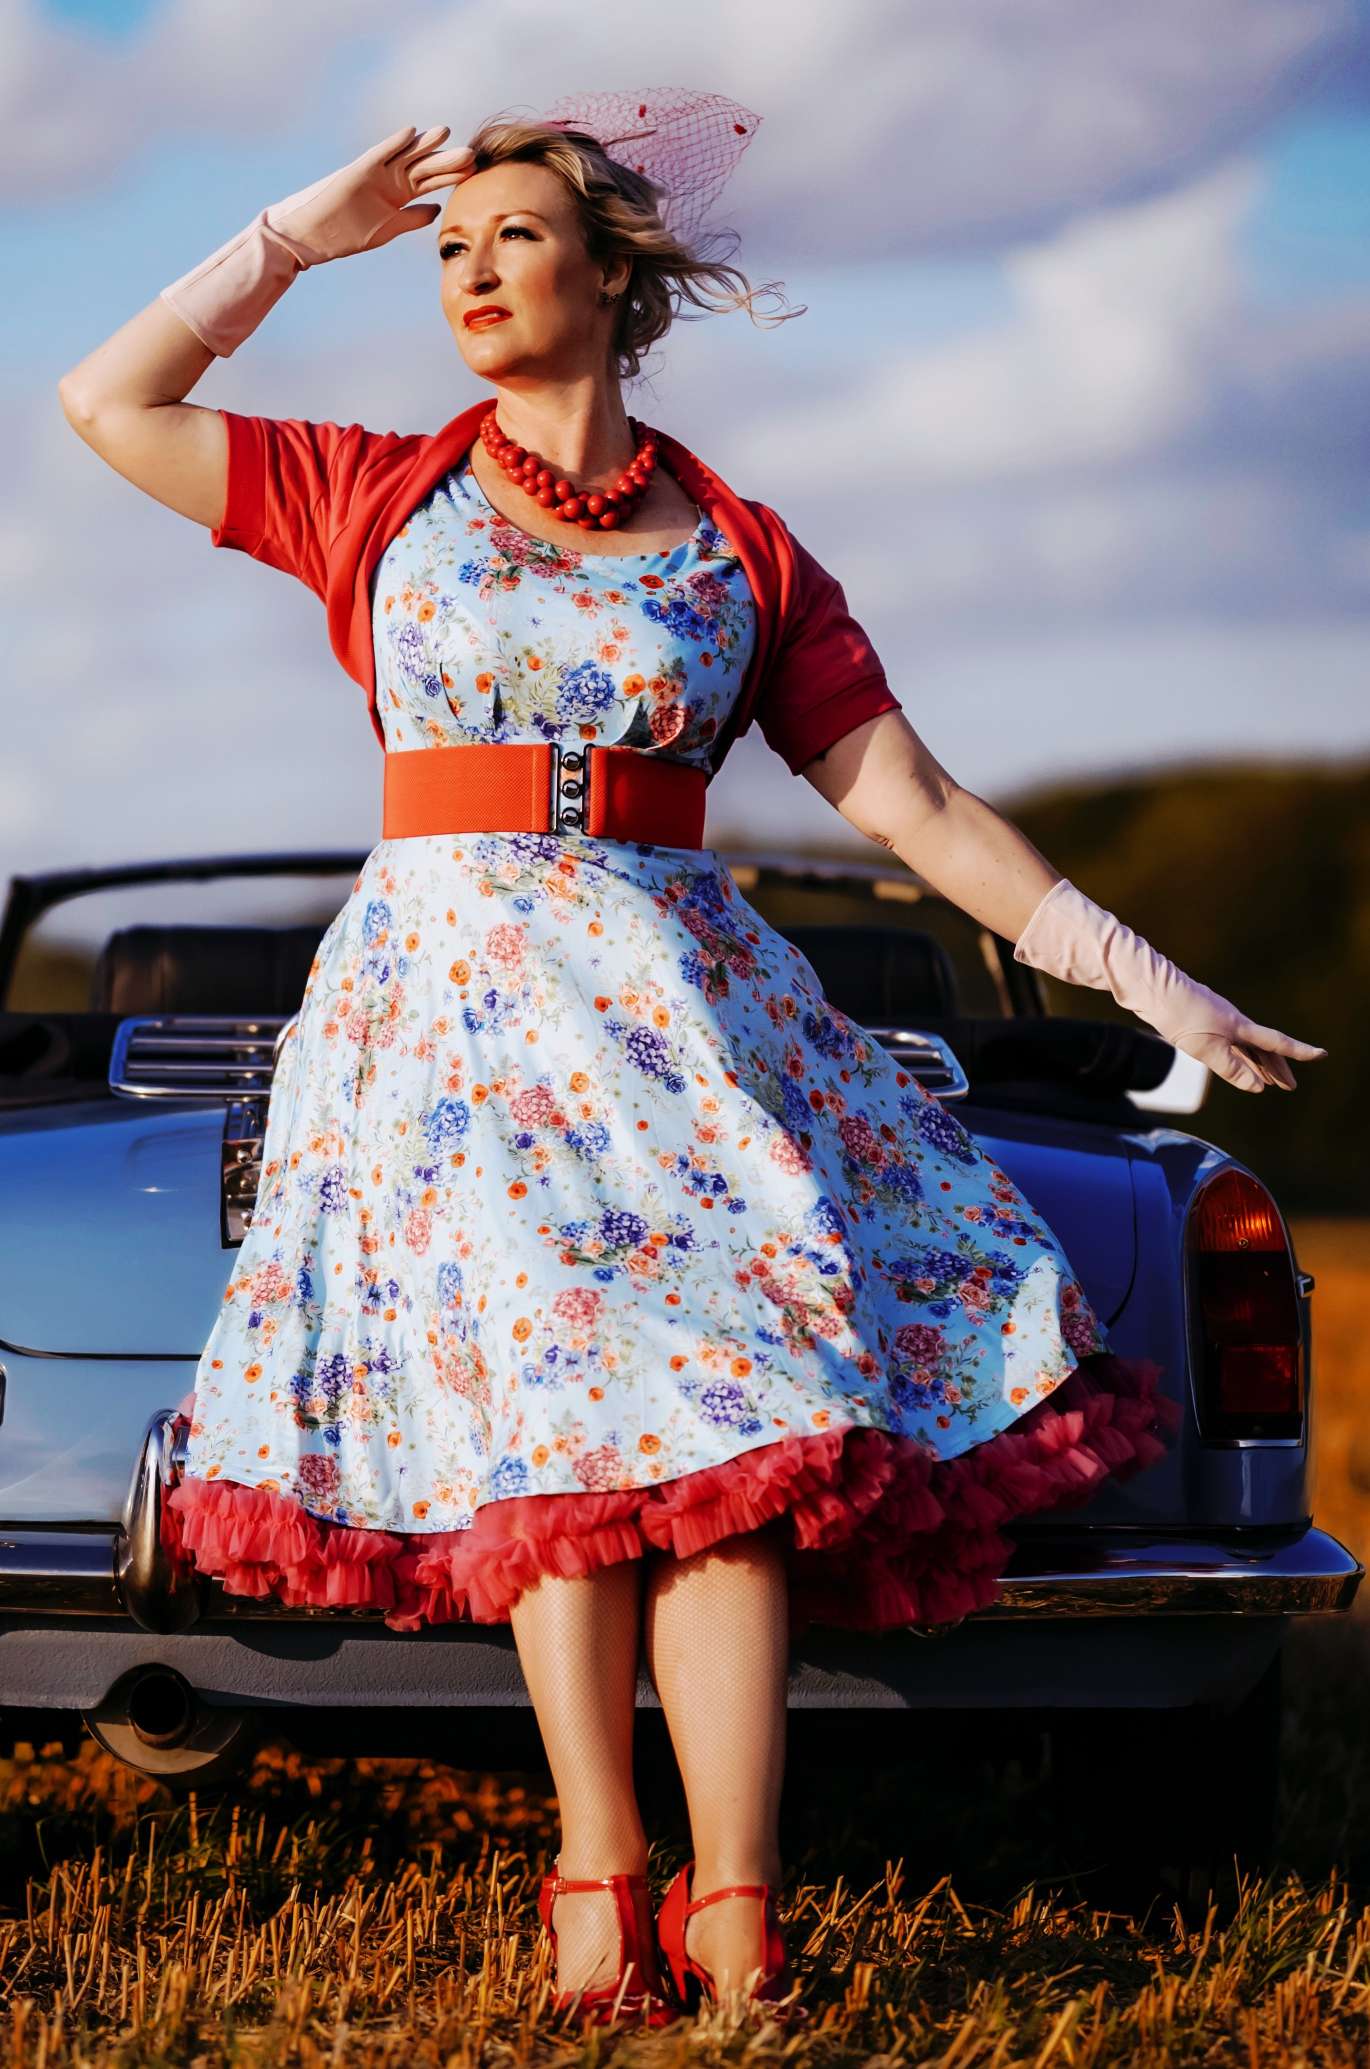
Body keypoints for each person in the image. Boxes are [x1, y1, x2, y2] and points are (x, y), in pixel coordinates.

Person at [57, 98, 1326, 2027]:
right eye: (444, 250)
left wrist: (1147, 976)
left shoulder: (742, 542)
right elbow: (105, 402)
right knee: (557, 1458)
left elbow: (904, 794)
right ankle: (598, 1880)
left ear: (611, 270)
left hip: (681, 1027)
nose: (469, 271)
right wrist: (292, 239)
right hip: (454, 1027)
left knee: (736, 1453)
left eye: (508, 236)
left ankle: (738, 1912)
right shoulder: (370, 489)